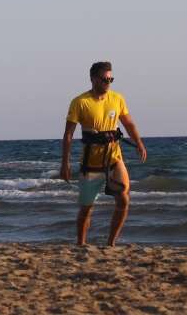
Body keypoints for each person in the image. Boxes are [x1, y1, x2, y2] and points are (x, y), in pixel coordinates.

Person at [59, 61, 147, 246]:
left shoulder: (117, 99)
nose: (108, 82)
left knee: (123, 199)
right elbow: (68, 135)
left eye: (111, 79)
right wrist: (65, 164)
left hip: (114, 158)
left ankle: (111, 243)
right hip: (90, 163)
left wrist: (139, 143)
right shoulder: (80, 102)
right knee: (86, 209)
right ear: (93, 79)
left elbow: (129, 123)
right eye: (105, 79)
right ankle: (81, 244)